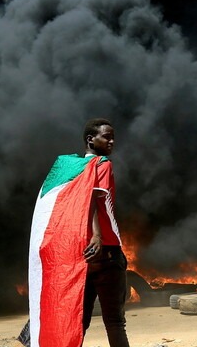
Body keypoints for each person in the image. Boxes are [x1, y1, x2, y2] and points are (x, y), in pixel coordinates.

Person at [19, 118, 130, 347]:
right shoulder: (102, 165)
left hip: (80, 256)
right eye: (106, 137)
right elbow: (91, 198)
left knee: (77, 321)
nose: (112, 141)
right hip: (107, 253)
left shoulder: (67, 170)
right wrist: (97, 236)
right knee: (115, 322)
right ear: (90, 139)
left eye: (113, 137)